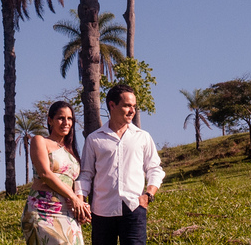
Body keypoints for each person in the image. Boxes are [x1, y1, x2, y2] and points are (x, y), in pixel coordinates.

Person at [77, 85, 164, 245]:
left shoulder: (143, 137)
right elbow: (85, 174)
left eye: (134, 106)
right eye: (127, 106)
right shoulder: (94, 139)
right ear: (112, 105)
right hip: (102, 211)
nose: (132, 111)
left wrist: (149, 195)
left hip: (134, 208)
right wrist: (81, 202)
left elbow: (155, 169)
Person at [22, 100, 91, 245]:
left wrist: (81, 205)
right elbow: (45, 174)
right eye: (61, 118)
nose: (66, 122)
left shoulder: (71, 152)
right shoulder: (40, 141)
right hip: (43, 209)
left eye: (69, 118)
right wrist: (74, 198)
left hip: (68, 212)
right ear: (50, 120)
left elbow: (76, 182)